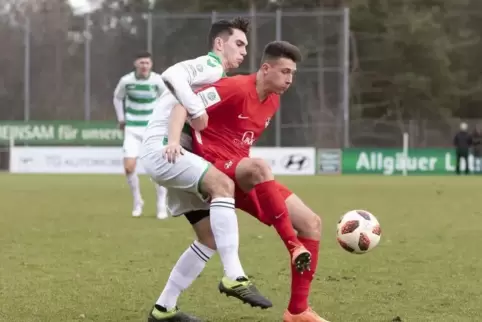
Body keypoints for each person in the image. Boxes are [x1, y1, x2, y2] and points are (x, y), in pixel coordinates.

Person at [163, 41, 327, 322]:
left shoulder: (273, 100)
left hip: (241, 171)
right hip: (214, 167)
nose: (290, 79)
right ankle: (292, 245)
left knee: (312, 223)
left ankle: (298, 311)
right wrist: (175, 142)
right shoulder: (236, 87)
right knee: (260, 167)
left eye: (293, 74)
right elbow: (183, 103)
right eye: (285, 71)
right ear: (266, 68)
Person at [140, 18, 271, 322]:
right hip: (165, 150)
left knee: (209, 237)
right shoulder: (210, 65)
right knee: (222, 185)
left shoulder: (216, 77)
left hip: (174, 151)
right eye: (238, 44)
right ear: (219, 44)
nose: (243, 52)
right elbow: (171, 75)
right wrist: (195, 112)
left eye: (246, 47)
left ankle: (163, 309)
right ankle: (234, 276)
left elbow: (180, 102)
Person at [113, 52, 169, 219]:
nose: (144, 65)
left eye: (147, 62)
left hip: (151, 131)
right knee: (129, 167)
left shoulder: (157, 80)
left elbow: (167, 99)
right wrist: (121, 119)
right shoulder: (126, 81)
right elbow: (117, 98)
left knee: (158, 169)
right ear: (136, 64)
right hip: (132, 129)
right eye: (141, 62)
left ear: (151, 65)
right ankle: (138, 201)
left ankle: (161, 204)